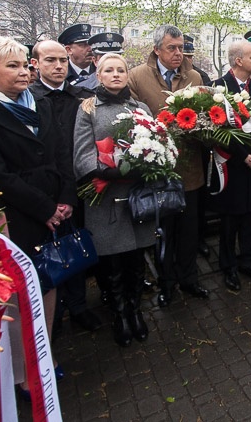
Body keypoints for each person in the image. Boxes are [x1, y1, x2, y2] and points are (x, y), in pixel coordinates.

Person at [0, 35, 75, 386]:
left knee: (47, 284)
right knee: (20, 293)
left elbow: (61, 153)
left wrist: (65, 197)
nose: (25, 72)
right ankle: (23, 373)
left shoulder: (40, 104)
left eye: (25, 65)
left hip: (54, 207)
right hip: (16, 215)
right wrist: (44, 207)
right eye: (13, 66)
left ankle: (44, 354)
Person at [73, 53, 155, 346]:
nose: (116, 74)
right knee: (113, 263)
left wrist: (151, 164)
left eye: (121, 70)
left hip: (137, 195)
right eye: (109, 70)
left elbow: (155, 142)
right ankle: (119, 314)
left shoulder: (141, 107)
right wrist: (110, 171)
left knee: (136, 259)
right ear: (99, 75)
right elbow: (82, 154)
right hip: (106, 196)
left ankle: (135, 310)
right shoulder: (88, 108)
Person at [127, 24, 209, 306]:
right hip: (157, 171)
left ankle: (189, 279)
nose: (178, 53)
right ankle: (166, 284)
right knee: (164, 233)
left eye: (181, 48)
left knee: (189, 232)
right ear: (156, 49)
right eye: (171, 48)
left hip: (190, 168)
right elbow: (131, 120)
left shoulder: (194, 76)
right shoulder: (137, 76)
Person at [29, 40, 102, 335]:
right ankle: (52, 312)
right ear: (35, 64)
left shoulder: (82, 97)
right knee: (47, 250)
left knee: (77, 245)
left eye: (62, 60)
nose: (58, 66)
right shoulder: (29, 98)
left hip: (79, 185)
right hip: (44, 190)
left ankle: (79, 305)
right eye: (50, 60)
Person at [209, 40, 251, 291]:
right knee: (230, 222)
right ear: (238, 61)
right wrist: (244, 155)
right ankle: (228, 267)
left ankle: (247, 262)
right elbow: (217, 131)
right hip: (232, 165)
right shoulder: (218, 88)